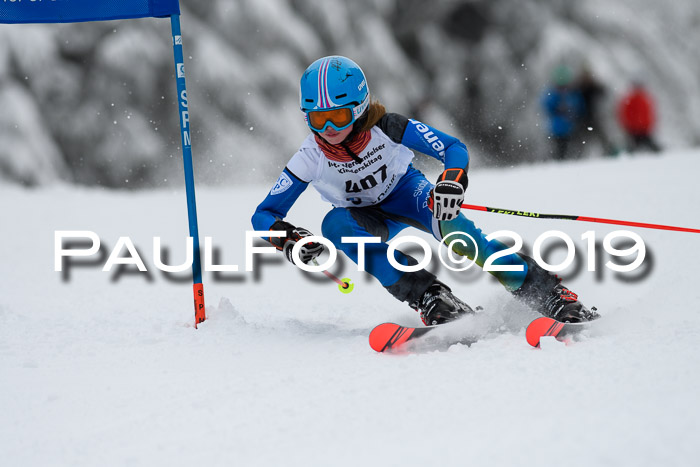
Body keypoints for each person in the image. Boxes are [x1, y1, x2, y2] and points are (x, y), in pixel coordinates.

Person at [252, 56, 599, 325]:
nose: (327, 129)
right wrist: (290, 237)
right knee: (334, 225)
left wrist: (451, 180)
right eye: (316, 119)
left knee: (461, 238)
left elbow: (453, 148)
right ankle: (431, 296)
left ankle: (546, 291)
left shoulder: (387, 127)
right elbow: (264, 215)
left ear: (358, 108)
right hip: (365, 217)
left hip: (408, 194)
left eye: (339, 117)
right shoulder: (309, 157)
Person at [541, 65, 585, 160]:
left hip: (571, 127)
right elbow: (547, 106)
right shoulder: (553, 94)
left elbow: (579, 107)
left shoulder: (572, 94)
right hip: (558, 128)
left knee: (573, 148)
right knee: (559, 149)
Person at [575, 65, 616, 156]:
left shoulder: (594, 87)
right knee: (580, 141)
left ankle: (610, 152)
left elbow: (604, 92)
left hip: (595, 117)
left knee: (602, 137)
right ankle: (578, 156)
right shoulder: (578, 88)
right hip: (582, 119)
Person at [618, 81, 661, 153]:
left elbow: (648, 113)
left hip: (641, 128)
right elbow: (626, 114)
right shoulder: (641, 99)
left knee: (635, 146)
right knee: (635, 146)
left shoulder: (641, 99)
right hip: (637, 128)